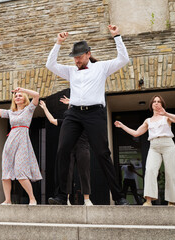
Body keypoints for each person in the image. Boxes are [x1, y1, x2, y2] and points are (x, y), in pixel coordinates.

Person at [46, 25, 129, 205]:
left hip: (95, 114)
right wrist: (58, 43)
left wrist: (117, 36)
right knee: (62, 150)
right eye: (74, 57)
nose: (76, 60)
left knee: (102, 153)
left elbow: (123, 59)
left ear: (88, 54)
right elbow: (50, 65)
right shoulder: (70, 71)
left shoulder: (101, 67)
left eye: (79, 57)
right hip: (74, 114)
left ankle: (118, 197)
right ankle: (61, 195)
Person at [0, 87, 42, 205]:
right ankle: (7, 200)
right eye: (16, 96)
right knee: (6, 173)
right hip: (10, 143)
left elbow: (36, 95)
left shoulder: (29, 109)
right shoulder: (10, 113)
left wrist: (23, 90)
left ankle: (32, 198)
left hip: (22, 142)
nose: (17, 97)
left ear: (25, 98)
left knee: (21, 172)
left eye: (20, 95)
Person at [114, 95, 175, 206]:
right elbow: (136, 133)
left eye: (159, 101)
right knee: (150, 170)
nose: (156, 103)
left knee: (171, 172)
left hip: (168, 144)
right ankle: (148, 200)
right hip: (154, 146)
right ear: (151, 105)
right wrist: (122, 126)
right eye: (154, 101)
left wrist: (166, 113)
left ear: (162, 104)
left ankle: (172, 201)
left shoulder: (166, 117)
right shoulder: (148, 121)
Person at [39, 98, 93, 206]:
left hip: (83, 148)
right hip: (69, 149)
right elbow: (52, 120)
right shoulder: (67, 123)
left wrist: (73, 102)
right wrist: (45, 108)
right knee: (66, 174)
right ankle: (66, 198)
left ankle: (87, 199)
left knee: (84, 173)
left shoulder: (85, 120)